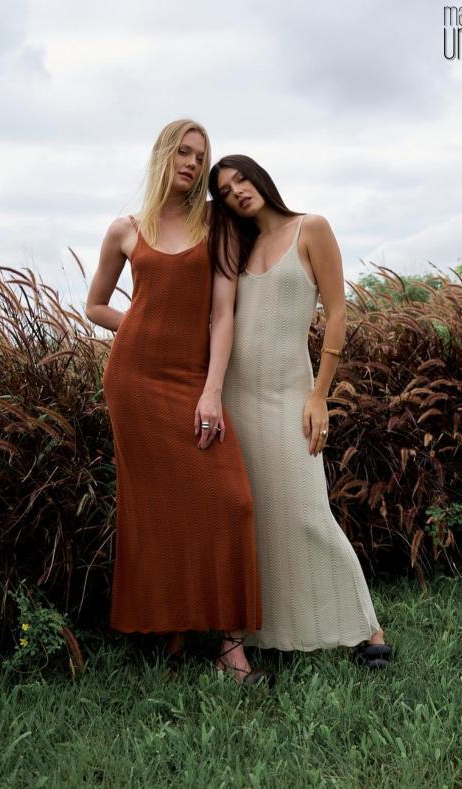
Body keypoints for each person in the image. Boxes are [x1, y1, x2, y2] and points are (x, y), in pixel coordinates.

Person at [85, 123, 271, 685]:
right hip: (134, 381)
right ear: (163, 155)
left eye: (200, 156)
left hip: (193, 379)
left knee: (231, 500)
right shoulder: (125, 229)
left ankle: (230, 646)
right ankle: (172, 629)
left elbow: (223, 314)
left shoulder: (215, 224)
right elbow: (95, 307)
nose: (192, 163)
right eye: (183, 152)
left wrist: (212, 390)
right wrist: (145, 330)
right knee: (158, 508)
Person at [206, 154, 392, 669]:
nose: (238, 192)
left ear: (259, 177)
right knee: (259, 516)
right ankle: (268, 632)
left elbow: (337, 312)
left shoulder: (311, 228)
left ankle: (369, 628)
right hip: (238, 396)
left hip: (291, 394)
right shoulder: (238, 247)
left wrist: (319, 396)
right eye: (226, 191)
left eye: (241, 179)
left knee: (308, 510)